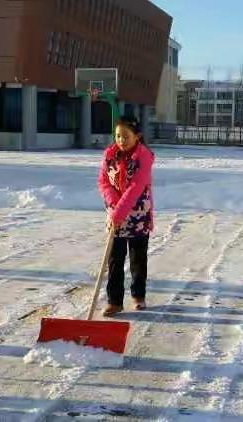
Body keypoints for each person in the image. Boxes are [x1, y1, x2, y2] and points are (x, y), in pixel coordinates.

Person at [98, 116, 154, 317]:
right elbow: (103, 182)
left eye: (126, 136)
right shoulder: (109, 155)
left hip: (138, 215)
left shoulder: (144, 156)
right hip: (115, 216)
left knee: (137, 259)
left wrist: (119, 211)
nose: (121, 140)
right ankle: (114, 301)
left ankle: (139, 296)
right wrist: (113, 205)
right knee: (114, 260)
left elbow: (136, 187)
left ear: (137, 136)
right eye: (118, 136)